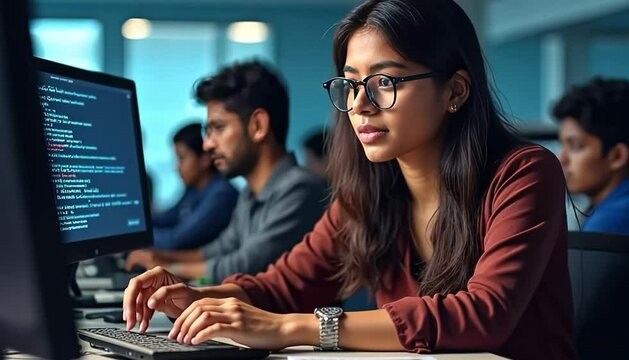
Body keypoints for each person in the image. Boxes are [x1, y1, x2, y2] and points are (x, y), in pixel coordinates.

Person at [122, 1, 575, 359]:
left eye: (385, 82)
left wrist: (293, 327)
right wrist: (200, 297)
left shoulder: (524, 173)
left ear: (454, 91)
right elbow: (285, 285)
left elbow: (483, 314)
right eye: (351, 83)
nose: (360, 104)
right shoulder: (370, 190)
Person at [125, 61, 328, 283]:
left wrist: (169, 267)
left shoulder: (300, 189)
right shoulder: (249, 193)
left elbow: (245, 265)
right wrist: (160, 257)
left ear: (258, 126)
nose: (207, 145)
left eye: (218, 128)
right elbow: (220, 249)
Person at [553, 77, 629, 236]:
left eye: (575, 146)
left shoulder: (613, 220)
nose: (562, 158)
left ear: (617, 157)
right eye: (562, 146)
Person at [151, 122, 238, 250]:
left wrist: (135, 237)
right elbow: (166, 219)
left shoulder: (221, 195)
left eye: (181, 159)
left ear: (204, 159)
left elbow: (175, 241)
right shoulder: (192, 190)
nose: (176, 167)